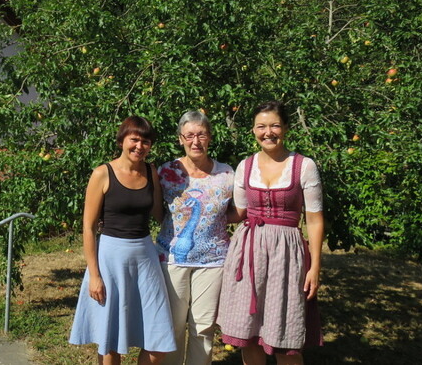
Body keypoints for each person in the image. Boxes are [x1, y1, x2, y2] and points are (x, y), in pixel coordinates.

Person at [217, 101, 324, 365]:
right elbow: (240, 212)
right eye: (261, 126)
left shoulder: (304, 166)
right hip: (248, 250)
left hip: (286, 255)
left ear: (285, 128)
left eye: (275, 125)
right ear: (253, 131)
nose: (268, 132)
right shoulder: (246, 165)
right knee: (248, 333)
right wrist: (203, 214)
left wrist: (315, 268)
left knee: (284, 337)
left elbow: (315, 219)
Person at [70, 116, 177, 364]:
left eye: (146, 141)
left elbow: (160, 214)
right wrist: (94, 275)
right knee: (110, 337)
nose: (140, 146)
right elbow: (88, 227)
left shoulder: (151, 172)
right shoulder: (102, 174)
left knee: (157, 334)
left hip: (145, 257)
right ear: (122, 140)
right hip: (110, 258)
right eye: (134, 139)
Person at [155, 111, 240, 365]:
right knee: (173, 325)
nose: (196, 141)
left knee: (203, 328)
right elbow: (158, 212)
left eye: (201, 134)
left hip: (213, 261)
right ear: (181, 138)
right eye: (190, 135)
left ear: (210, 137)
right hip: (172, 259)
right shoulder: (166, 172)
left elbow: (237, 211)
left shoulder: (226, 174)